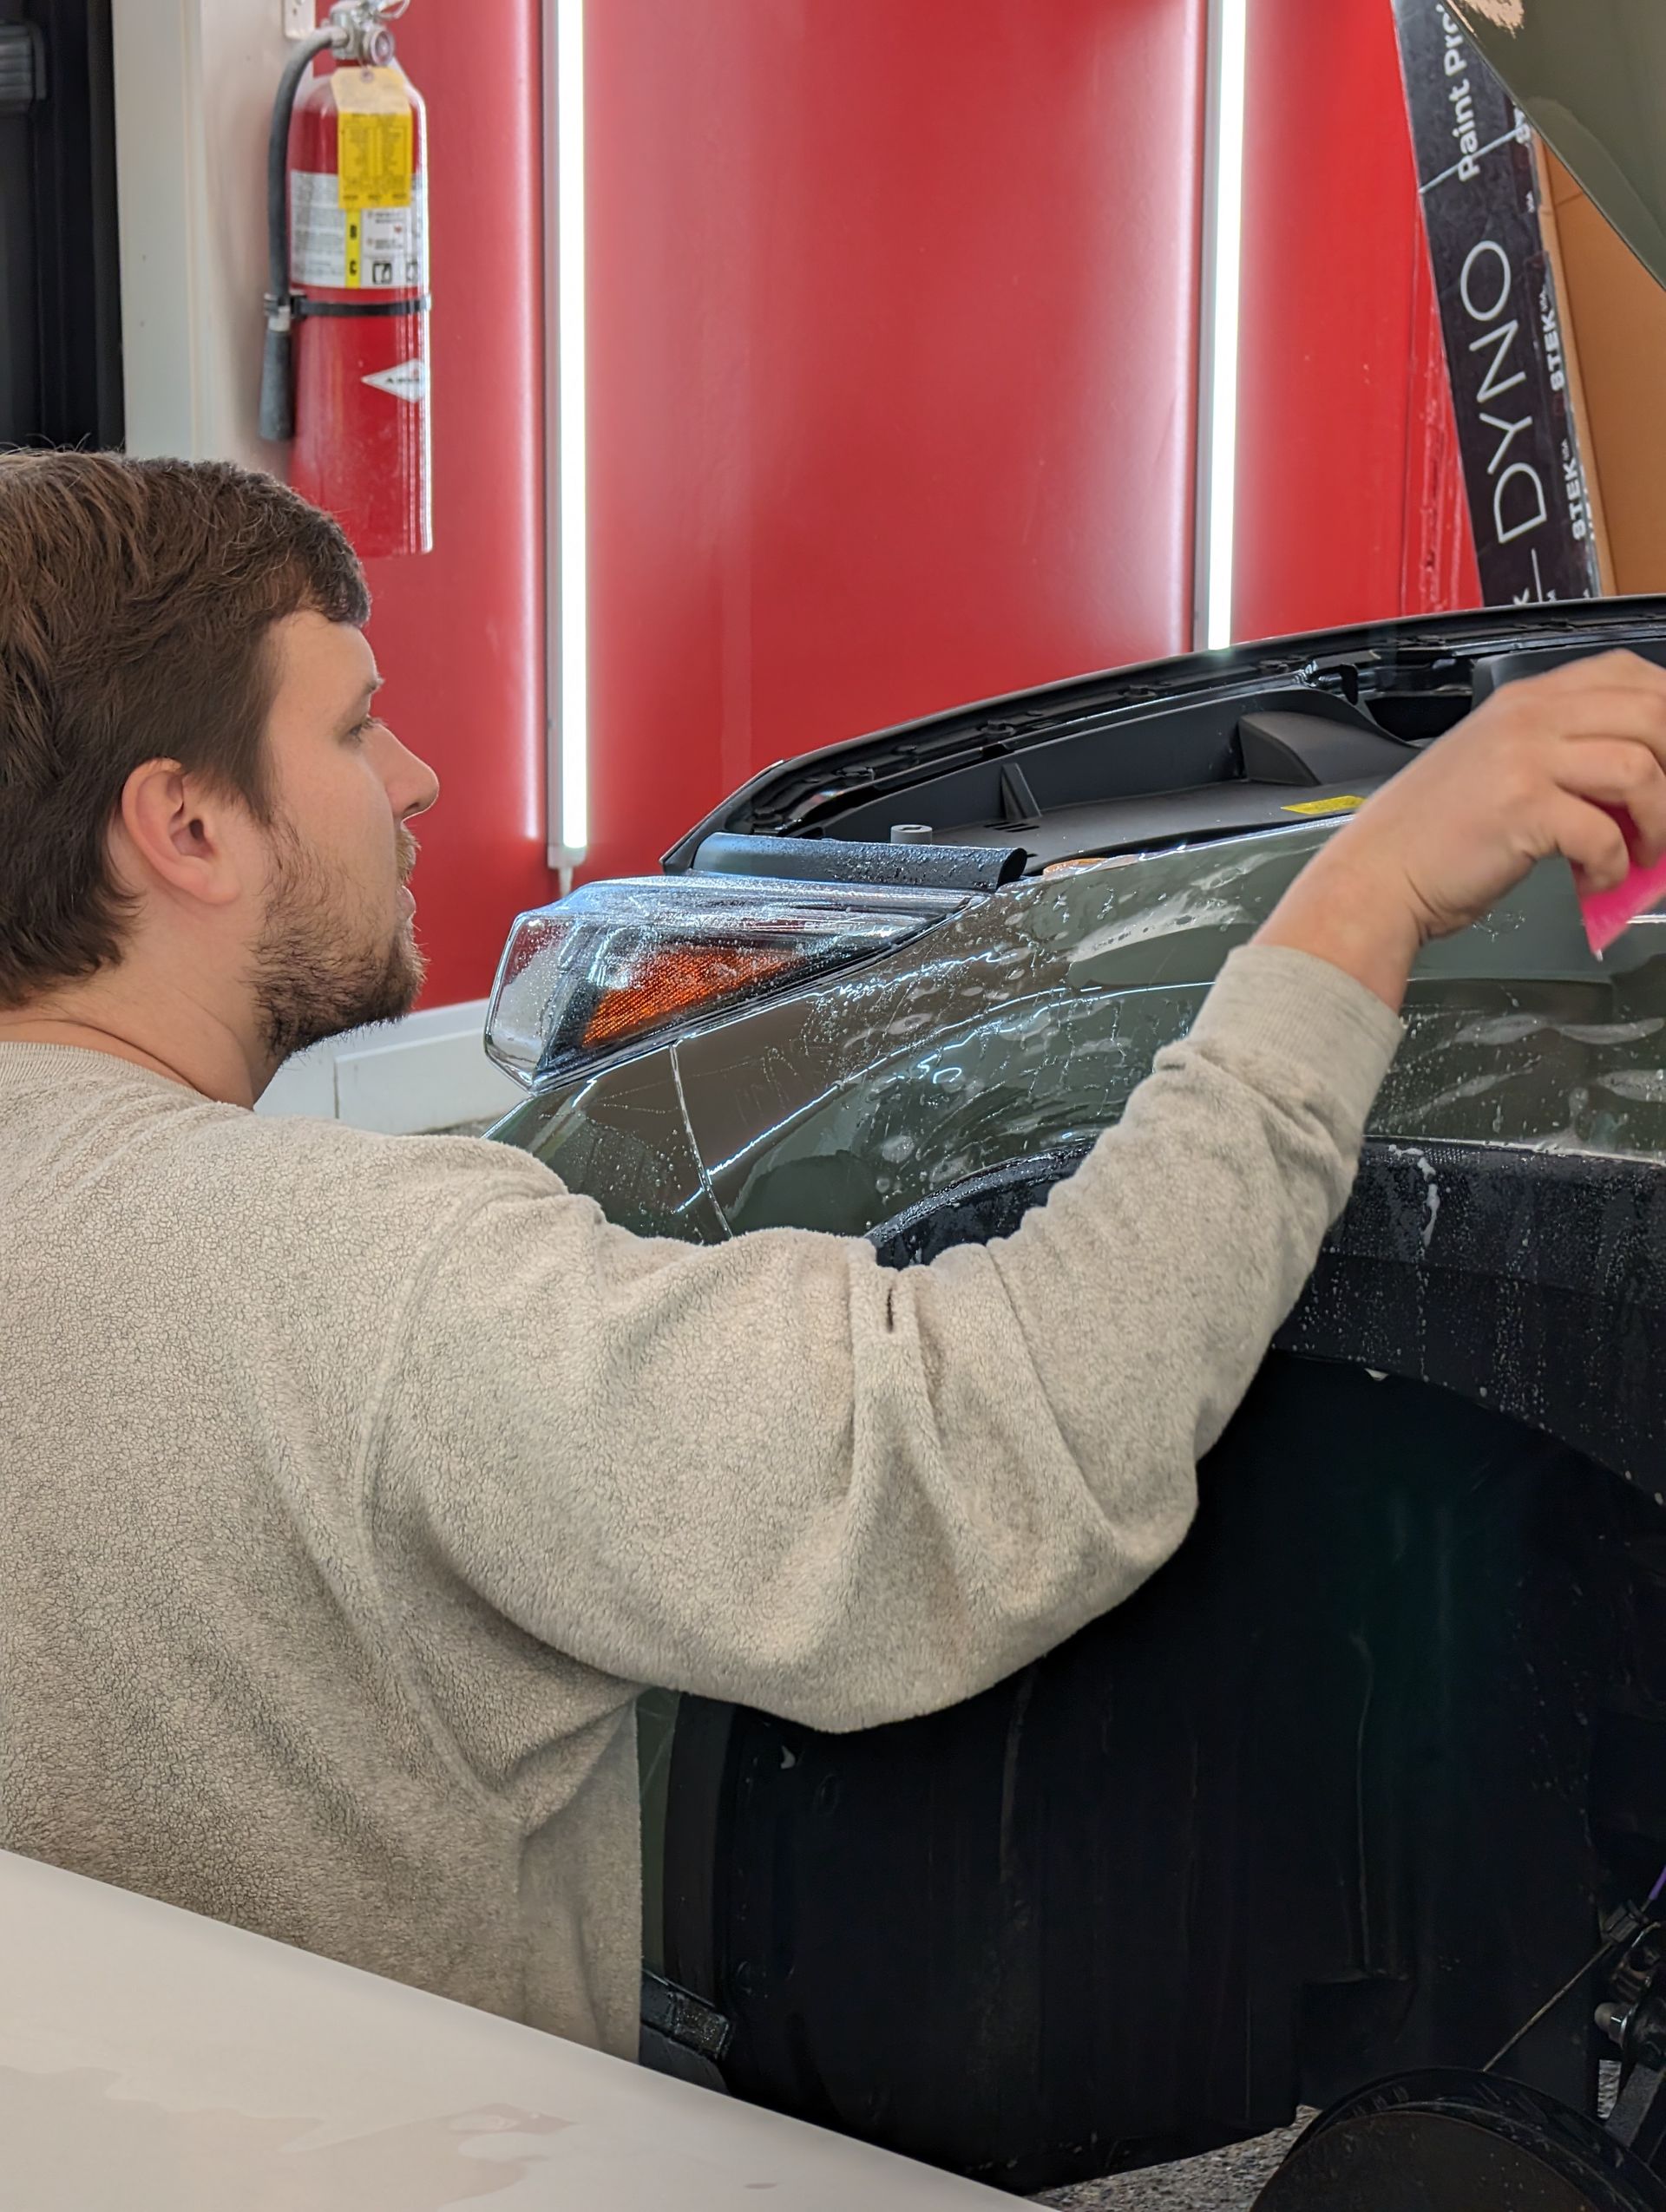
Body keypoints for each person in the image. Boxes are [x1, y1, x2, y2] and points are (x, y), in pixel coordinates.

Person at [3, 451, 1664, 2059]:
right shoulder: (362, 1288)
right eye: (356, 724)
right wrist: (1362, 894)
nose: (417, 777)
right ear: (188, 829)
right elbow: (984, 1439)